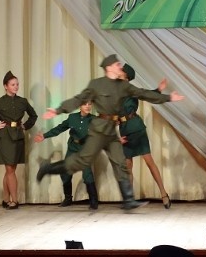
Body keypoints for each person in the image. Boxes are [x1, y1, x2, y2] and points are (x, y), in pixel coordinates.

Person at [36, 54, 184, 211]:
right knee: (82, 161)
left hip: (112, 131)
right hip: (99, 129)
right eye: (117, 64)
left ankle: (128, 200)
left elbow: (143, 93)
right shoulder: (96, 84)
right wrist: (58, 110)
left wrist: (168, 97)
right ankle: (47, 168)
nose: (120, 66)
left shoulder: (123, 86)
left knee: (120, 162)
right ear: (109, 68)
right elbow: (79, 99)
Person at [0, 70, 38, 209]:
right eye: (12, 84)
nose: (16, 87)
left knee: (10, 170)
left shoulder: (22, 101)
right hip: (5, 137)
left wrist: (25, 126)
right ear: (5, 86)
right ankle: (14, 200)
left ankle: (5, 199)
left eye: (17, 84)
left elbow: (33, 115)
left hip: (18, 136)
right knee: (10, 169)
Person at [117, 63, 171, 209]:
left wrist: (158, 90)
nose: (118, 71)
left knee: (149, 161)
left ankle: (163, 193)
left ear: (126, 76)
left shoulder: (131, 89)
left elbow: (146, 94)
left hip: (136, 128)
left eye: (121, 70)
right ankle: (129, 200)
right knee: (128, 165)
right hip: (124, 129)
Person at [34, 100, 99, 209]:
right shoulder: (72, 118)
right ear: (80, 106)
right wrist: (44, 136)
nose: (88, 106)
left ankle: (93, 201)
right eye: (85, 104)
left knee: (87, 173)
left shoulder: (94, 119)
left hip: (85, 150)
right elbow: (60, 128)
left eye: (90, 104)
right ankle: (68, 198)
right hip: (73, 148)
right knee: (66, 173)